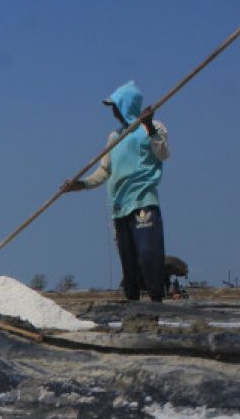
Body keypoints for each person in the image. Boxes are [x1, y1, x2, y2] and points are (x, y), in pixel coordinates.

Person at [61, 81, 170, 302]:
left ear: (126, 104)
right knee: (129, 267)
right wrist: (80, 184)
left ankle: (157, 305)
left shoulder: (153, 127)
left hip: (142, 202)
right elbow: (103, 171)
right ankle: (135, 316)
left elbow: (163, 154)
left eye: (115, 105)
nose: (112, 111)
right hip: (119, 208)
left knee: (148, 256)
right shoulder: (114, 138)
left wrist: (148, 127)